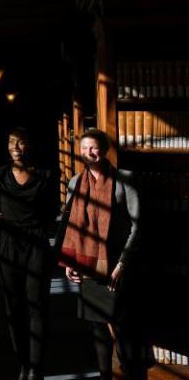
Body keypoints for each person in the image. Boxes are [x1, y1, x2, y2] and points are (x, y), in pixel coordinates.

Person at [59, 129, 150, 380]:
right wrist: (70, 263)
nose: (89, 152)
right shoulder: (75, 182)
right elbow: (71, 226)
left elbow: (137, 226)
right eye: (85, 148)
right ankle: (104, 376)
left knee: (123, 329)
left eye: (94, 147)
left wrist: (122, 265)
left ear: (105, 149)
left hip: (118, 267)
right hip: (90, 266)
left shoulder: (125, 179)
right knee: (98, 330)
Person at [0, 126, 59, 380]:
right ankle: (23, 362)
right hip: (7, 244)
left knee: (37, 307)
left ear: (30, 145)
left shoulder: (45, 176)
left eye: (20, 143)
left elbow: (52, 215)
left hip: (36, 244)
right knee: (14, 308)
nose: (15, 148)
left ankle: (36, 368)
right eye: (11, 142)